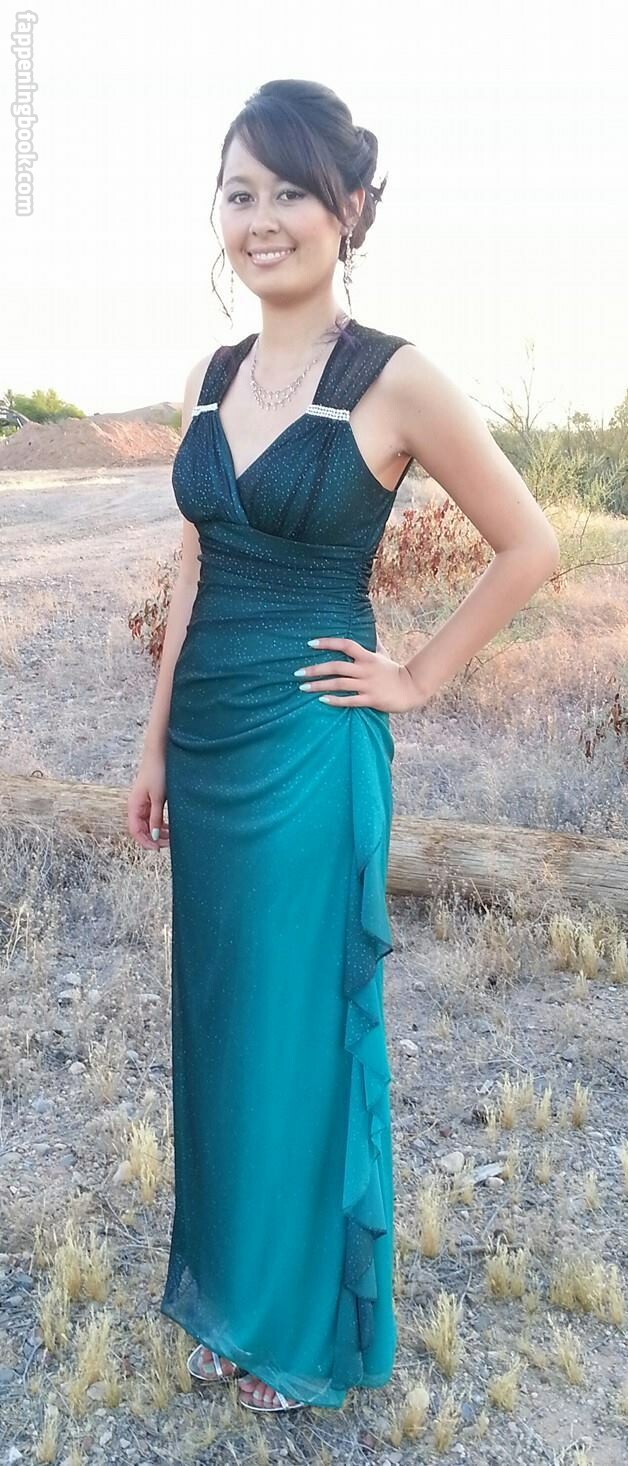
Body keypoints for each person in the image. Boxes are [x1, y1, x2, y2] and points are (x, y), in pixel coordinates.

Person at [127, 79, 560, 1415]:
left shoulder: (394, 376)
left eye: (290, 192)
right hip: (208, 747)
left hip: (314, 749)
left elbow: (531, 544)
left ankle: (300, 1334)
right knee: (221, 1026)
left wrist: (418, 676)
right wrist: (151, 743)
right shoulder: (210, 379)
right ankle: (231, 1297)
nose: (261, 220)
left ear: (351, 207)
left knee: (298, 1032)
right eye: (239, 193)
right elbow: (193, 569)